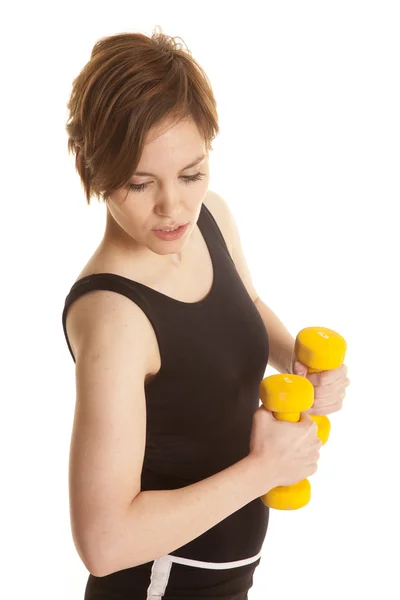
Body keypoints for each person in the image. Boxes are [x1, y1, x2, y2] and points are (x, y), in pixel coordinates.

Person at [62, 26, 322, 600]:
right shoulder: (114, 318)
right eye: (139, 182)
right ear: (91, 167)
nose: (173, 207)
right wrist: (263, 470)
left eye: (191, 173)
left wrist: (298, 361)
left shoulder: (210, 220)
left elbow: (242, 305)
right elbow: (104, 543)